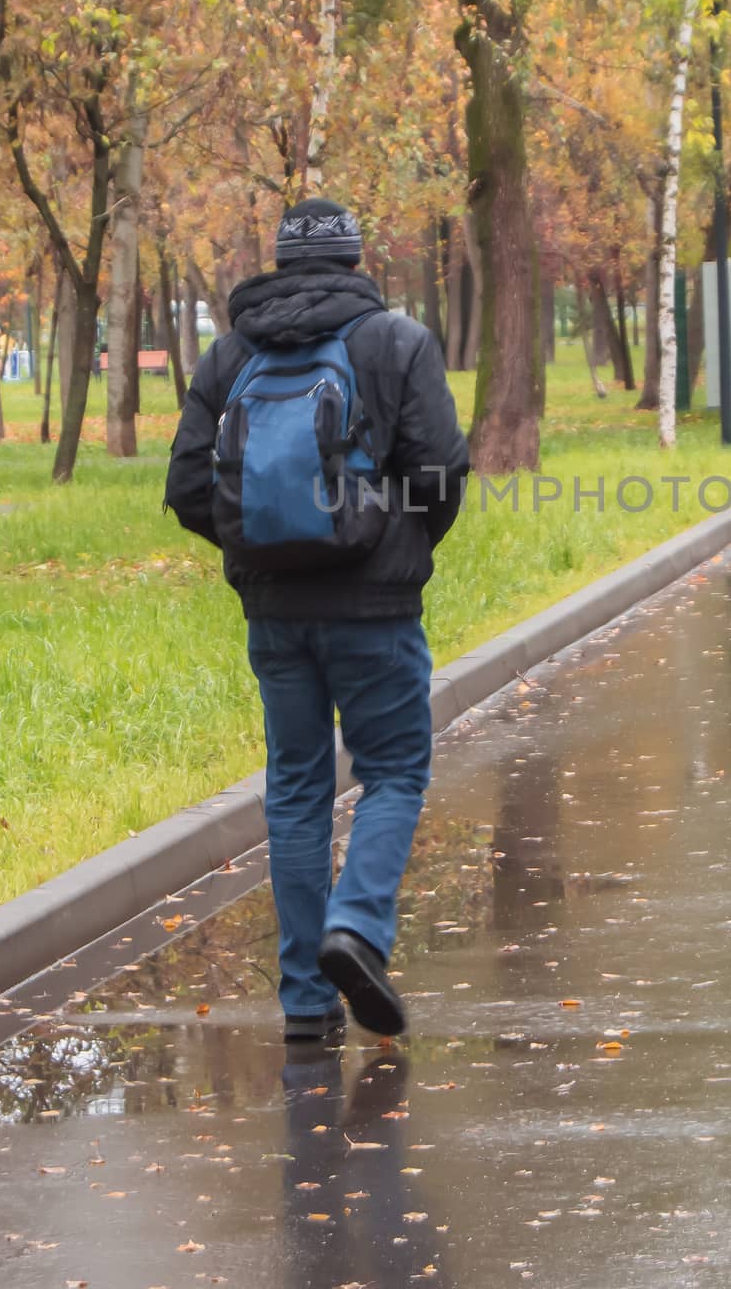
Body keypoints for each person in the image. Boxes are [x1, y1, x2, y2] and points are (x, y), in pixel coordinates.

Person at [165, 198, 469, 1042]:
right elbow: (440, 469)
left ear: (281, 260)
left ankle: (304, 1004)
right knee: (395, 772)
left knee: (296, 792)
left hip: (275, 613)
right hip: (375, 609)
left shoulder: (231, 353)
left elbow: (191, 487)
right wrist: (397, 541)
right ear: (353, 259)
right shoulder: (394, 342)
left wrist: (259, 553)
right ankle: (356, 930)